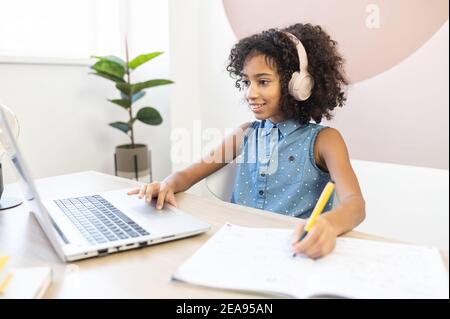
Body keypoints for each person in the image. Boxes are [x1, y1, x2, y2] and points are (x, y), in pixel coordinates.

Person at [128, 23, 365, 259]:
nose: (250, 93)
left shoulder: (324, 141)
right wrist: (166, 185)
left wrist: (329, 224)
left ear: (298, 85)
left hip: (292, 251)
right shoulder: (245, 134)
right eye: (247, 82)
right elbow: (188, 175)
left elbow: (355, 205)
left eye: (262, 82)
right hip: (237, 247)